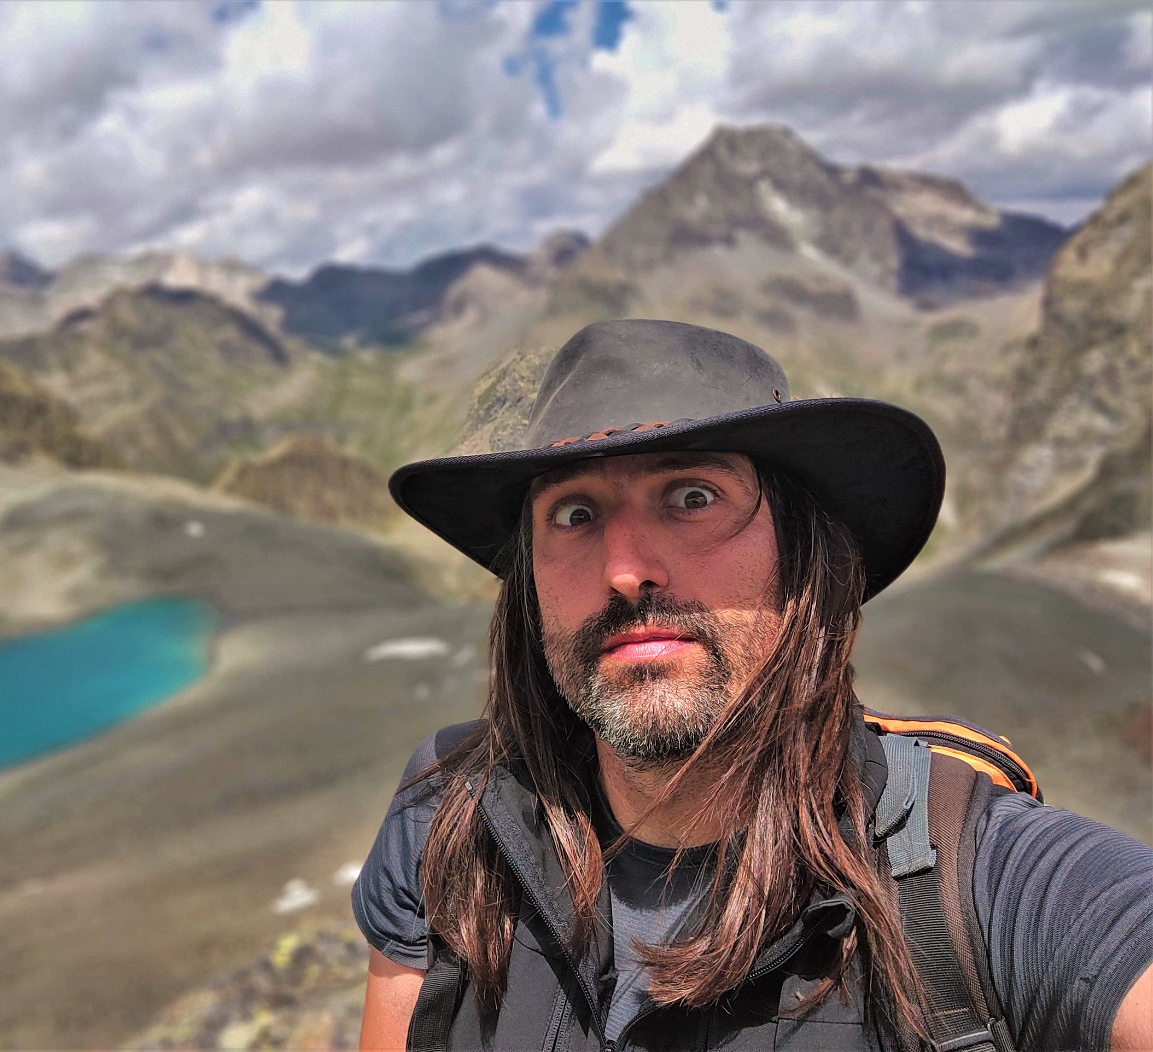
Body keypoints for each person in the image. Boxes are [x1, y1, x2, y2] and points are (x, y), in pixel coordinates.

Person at [351, 320, 1153, 1052]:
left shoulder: (984, 885)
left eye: (693, 497)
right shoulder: (449, 820)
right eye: (573, 515)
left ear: (805, 555)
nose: (626, 570)